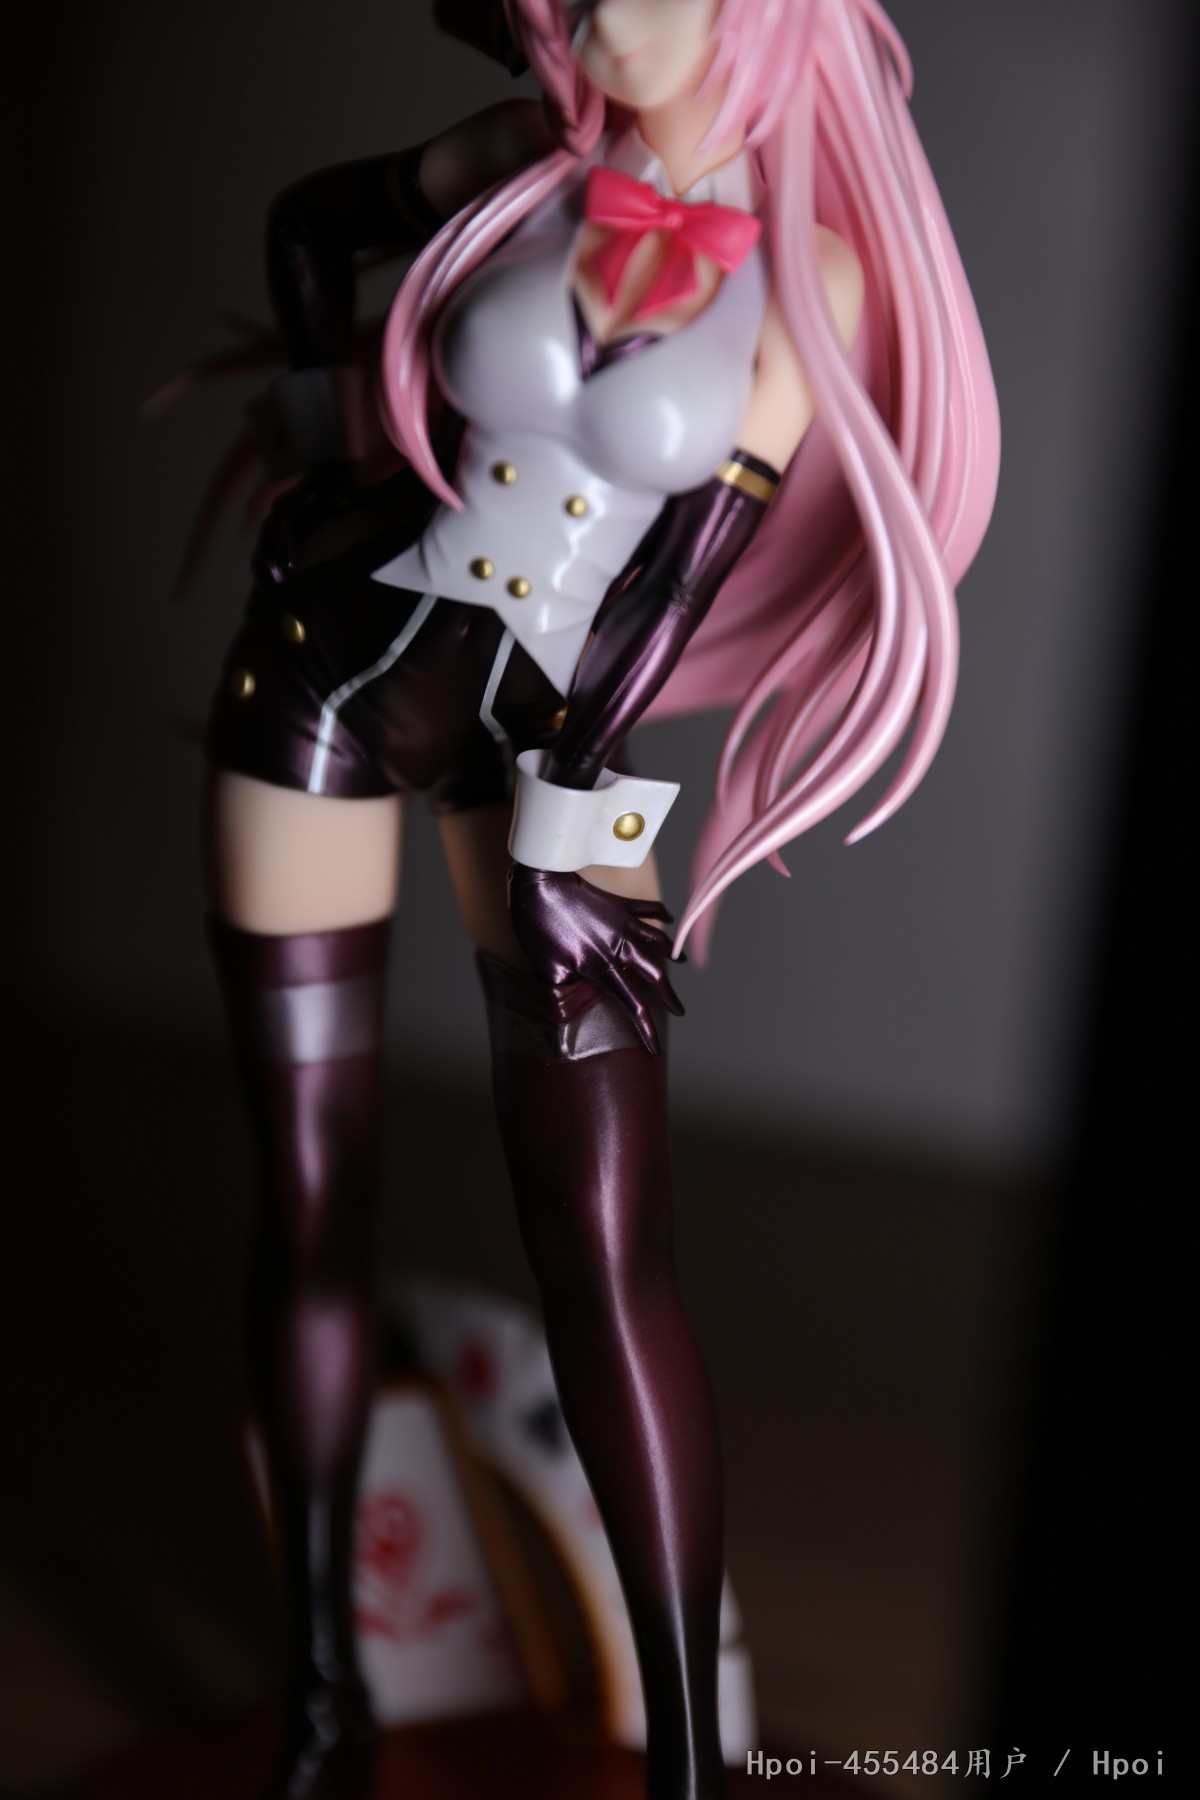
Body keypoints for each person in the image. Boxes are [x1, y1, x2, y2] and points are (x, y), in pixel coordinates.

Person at [199, 3, 999, 1795]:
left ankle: (686, 1766)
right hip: (327, 678)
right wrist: (320, 442)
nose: (607, 17)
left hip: (556, 731)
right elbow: (310, 227)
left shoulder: (811, 280)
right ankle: (324, 1702)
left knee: (611, 1252)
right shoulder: (527, 167)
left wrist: (574, 825)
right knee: (310, 1195)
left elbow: (669, 592)